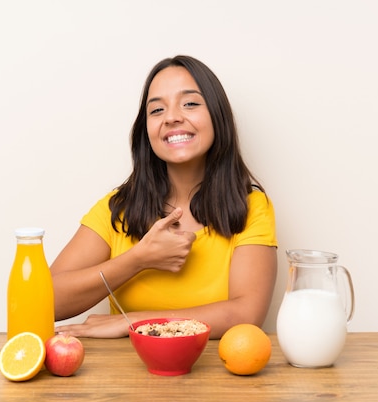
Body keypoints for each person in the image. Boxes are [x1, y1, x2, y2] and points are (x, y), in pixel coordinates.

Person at [51, 55, 277, 339]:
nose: (171, 117)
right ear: (146, 130)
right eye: (157, 109)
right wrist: (138, 259)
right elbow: (46, 299)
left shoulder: (251, 207)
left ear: (217, 116)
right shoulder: (116, 209)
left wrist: (135, 322)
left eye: (190, 103)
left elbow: (246, 314)